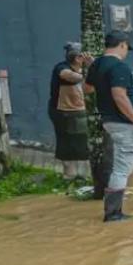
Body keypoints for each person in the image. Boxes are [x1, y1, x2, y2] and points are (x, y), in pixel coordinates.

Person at [86, 30, 133, 222]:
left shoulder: (97, 65)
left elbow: (88, 88)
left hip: (112, 121)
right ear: (122, 45)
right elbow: (119, 96)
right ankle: (113, 214)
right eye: (126, 47)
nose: (126, 51)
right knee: (122, 168)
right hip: (124, 123)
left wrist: (94, 69)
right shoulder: (119, 67)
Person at [48, 42, 93, 179]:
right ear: (78, 58)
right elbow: (70, 76)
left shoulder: (84, 70)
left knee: (83, 141)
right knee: (65, 142)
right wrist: (92, 71)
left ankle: (84, 175)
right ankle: (69, 174)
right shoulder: (62, 68)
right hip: (62, 111)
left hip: (79, 111)